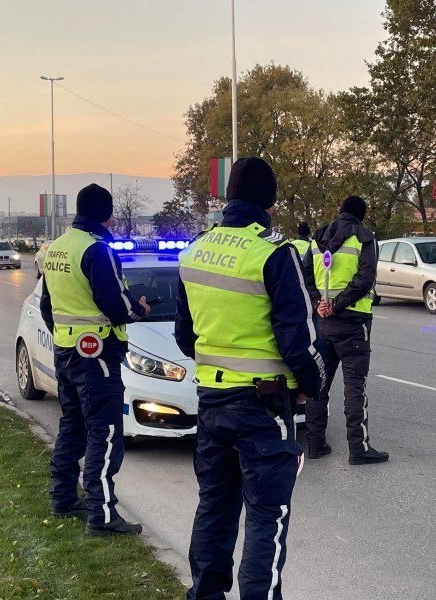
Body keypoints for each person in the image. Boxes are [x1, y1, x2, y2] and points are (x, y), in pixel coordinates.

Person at [176, 157, 324, 600]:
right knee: (267, 519)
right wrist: (311, 387)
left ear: (228, 198)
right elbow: (299, 339)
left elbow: (186, 337)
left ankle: (205, 594)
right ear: (271, 203)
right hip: (263, 408)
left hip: (212, 403)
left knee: (215, 510)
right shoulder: (274, 253)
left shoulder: (194, 251)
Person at [40, 183, 150, 536]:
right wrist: (140, 308)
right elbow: (116, 306)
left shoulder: (57, 248)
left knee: (73, 426)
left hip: (66, 353)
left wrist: (65, 335)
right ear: (106, 214)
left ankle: (62, 498)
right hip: (99, 355)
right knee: (105, 432)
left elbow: (47, 306)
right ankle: (101, 515)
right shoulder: (97, 250)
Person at [302, 195, 389, 465]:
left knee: (319, 386)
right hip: (353, 324)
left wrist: (320, 303)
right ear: (360, 215)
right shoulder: (364, 237)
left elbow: (305, 276)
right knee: (355, 387)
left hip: (323, 324)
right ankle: (358, 449)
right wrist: (338, 305)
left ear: (340, 212)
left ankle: (315, 444)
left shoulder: (317, 238)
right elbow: (365, 279)